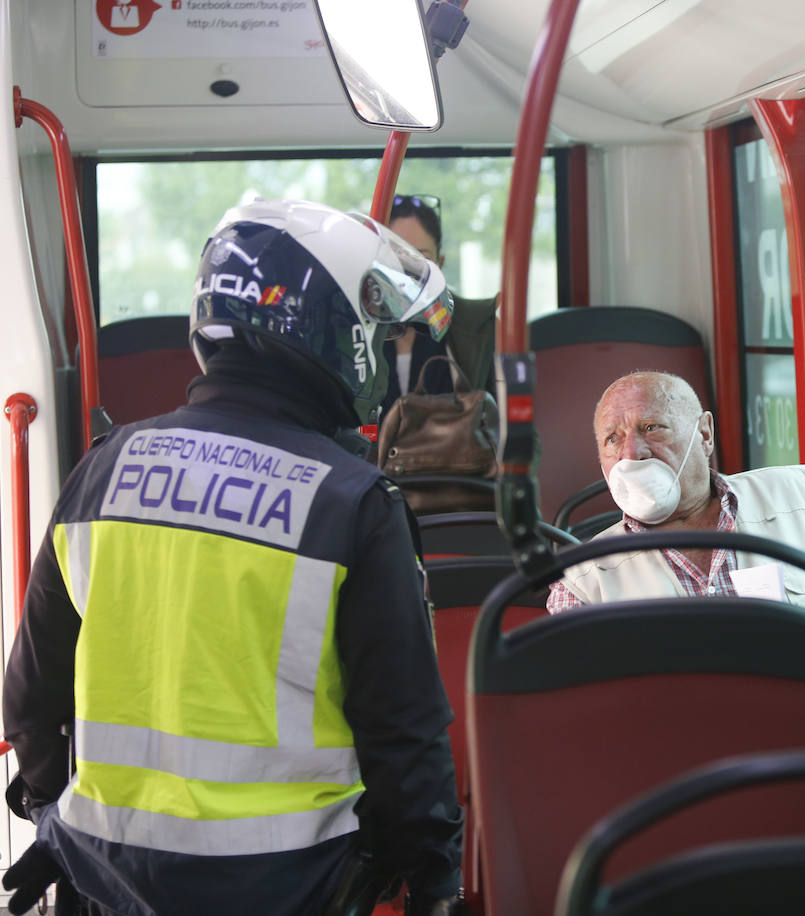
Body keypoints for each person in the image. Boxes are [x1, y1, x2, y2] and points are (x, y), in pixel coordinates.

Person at [1, 199, 464, 915]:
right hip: (289, 884)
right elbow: (403, 735)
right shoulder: (351, 500)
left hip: (102, 877)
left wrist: (50, 815)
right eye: (376, 323)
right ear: (330, 327)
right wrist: (433, 878)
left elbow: (30, 694)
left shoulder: (103, 468)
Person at [546, 371, 805, 641]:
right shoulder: (581, 581)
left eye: (652, 428)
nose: (633, 452)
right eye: (612, 440)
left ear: (704, 434)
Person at [381, 194, 496, 417]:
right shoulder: (356, 328)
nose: (408, 271)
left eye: (420, 257)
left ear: (440, 263)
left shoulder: (477, 326)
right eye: (397, 256)